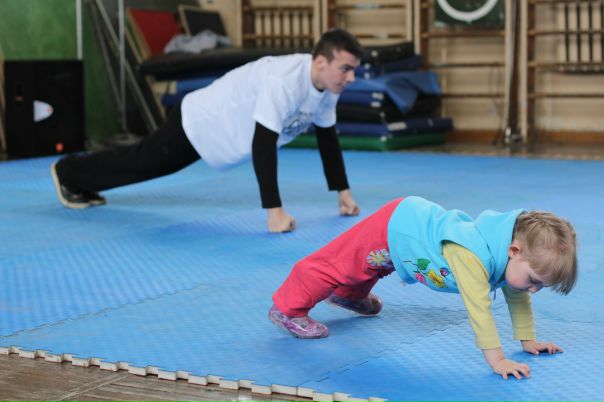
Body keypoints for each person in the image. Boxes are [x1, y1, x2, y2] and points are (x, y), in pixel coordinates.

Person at [50, 28, 363, 233]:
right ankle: (68, 172)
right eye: (345, 69)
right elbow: (263, 145)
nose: (350, 78)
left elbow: (328, 140)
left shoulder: (328, 88)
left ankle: (78, 178)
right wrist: (274, 212)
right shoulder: (283, 82)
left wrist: (344, 196)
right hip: (199, 121)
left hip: (216, 132)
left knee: (143, 163)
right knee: (142, 163)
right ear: (320, 62)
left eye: (354, 70)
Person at [268, 196, 578, 379]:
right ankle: (288, 308)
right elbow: (479, 310)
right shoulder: (474, 257)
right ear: (514, 251)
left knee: (373, 265)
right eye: (534, 281)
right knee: (340, 263)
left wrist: (528, 340)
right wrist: (497, 360)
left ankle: (348, 294)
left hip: (408, 236)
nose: (533, 290)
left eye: (541, 286)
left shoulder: (509, 260)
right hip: (398, 226)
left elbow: (517, 296)